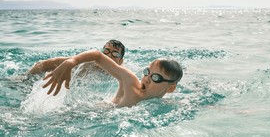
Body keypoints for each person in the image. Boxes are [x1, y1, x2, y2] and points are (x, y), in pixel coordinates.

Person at [42, 49, 183, 108]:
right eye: (147, 72)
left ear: (170, 88)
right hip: (86, 113)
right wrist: (71, 62)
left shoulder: (166, 105)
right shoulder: (130, 83)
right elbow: (97, 55)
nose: (146, 79)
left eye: (156, 77)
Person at [28, 40, 126, 75]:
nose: (108, 55)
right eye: (106, 51)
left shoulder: (123, 74)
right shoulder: (88, 64)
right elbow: (45, 64)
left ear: (121, 61)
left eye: (115, 54)